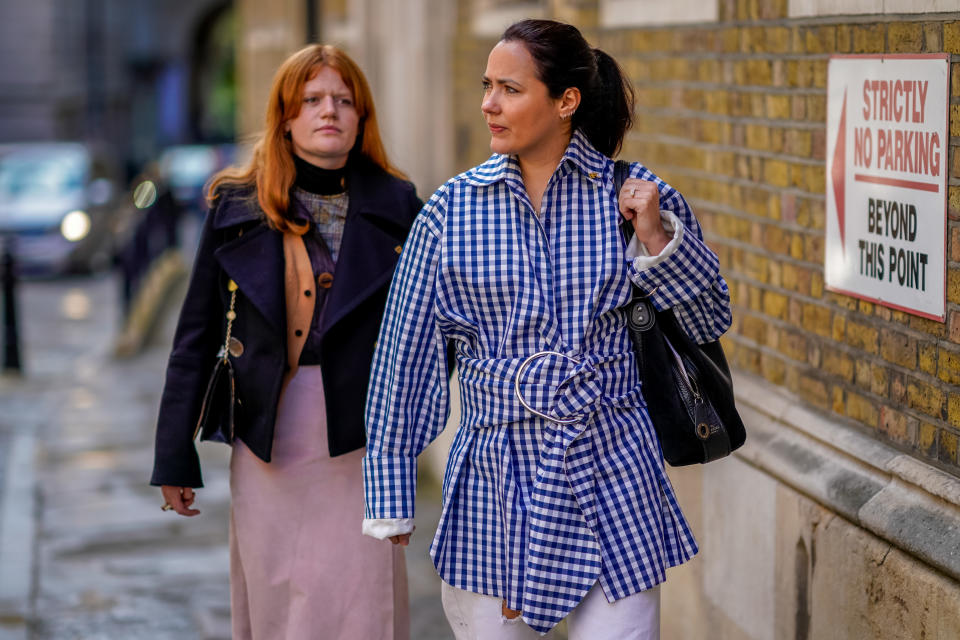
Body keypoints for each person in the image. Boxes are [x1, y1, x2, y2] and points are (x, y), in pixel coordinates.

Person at [361, 19, 732, 639]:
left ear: (566, 101)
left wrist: (657, 241)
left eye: (509, 88)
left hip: (614, 471)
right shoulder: (449, 213)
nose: (488, 104)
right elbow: (407, 360)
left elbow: (708, 321)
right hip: (494, 485)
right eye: (486, 86)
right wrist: (392, 486)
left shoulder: (638, 198)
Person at [150, 44, 422, 640]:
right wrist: (174, 453)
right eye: (313, 100)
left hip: (362, 435)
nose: (330, 111)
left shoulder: (399, 204)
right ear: (286, 116)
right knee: (279, 598)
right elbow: (195, 335)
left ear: (362, 117)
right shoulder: (237, 205)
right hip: (270, 430)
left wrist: (410, 437)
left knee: (359, 600)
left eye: (344, 100)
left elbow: (431, 330)